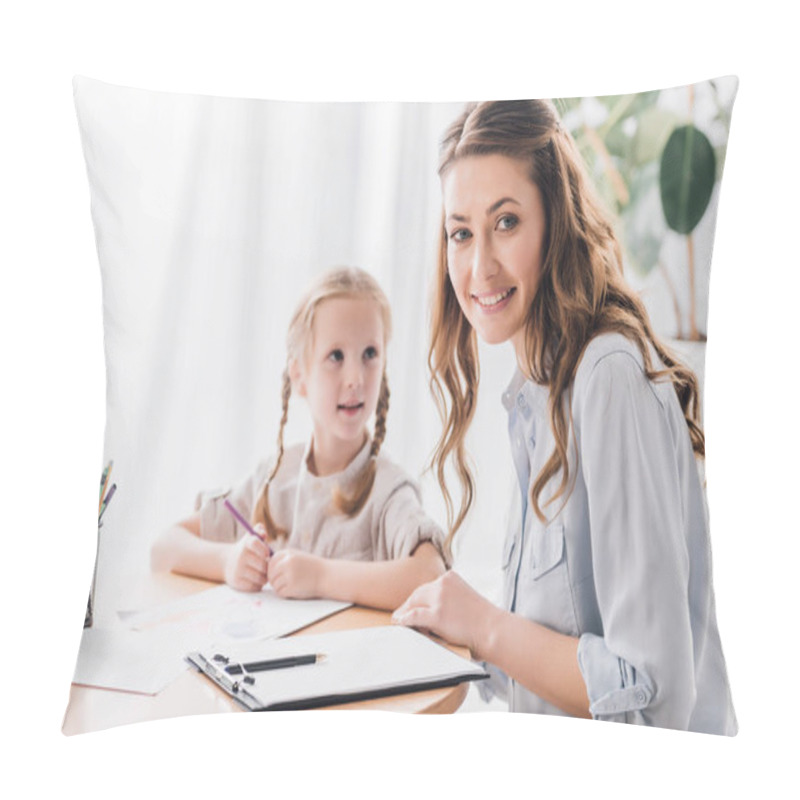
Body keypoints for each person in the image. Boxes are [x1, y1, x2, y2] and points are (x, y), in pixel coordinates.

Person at [392, 100, 737, 733]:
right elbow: (556, 642)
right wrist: (451, 628)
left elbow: (653, 697)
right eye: (461, 232)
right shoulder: (537, 389)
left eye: (507, 221)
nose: (479, 268)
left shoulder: (606, 378)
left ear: (557, 221)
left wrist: (485, 625)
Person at [152, 267, 447, 610]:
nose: (355, 378)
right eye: (336, 356)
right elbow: (164, 547)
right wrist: (229, 560)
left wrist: (321, 577)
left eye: (370, 354)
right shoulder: (273, 481)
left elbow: (431, 575)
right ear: (300, 377)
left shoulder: (388, 490)